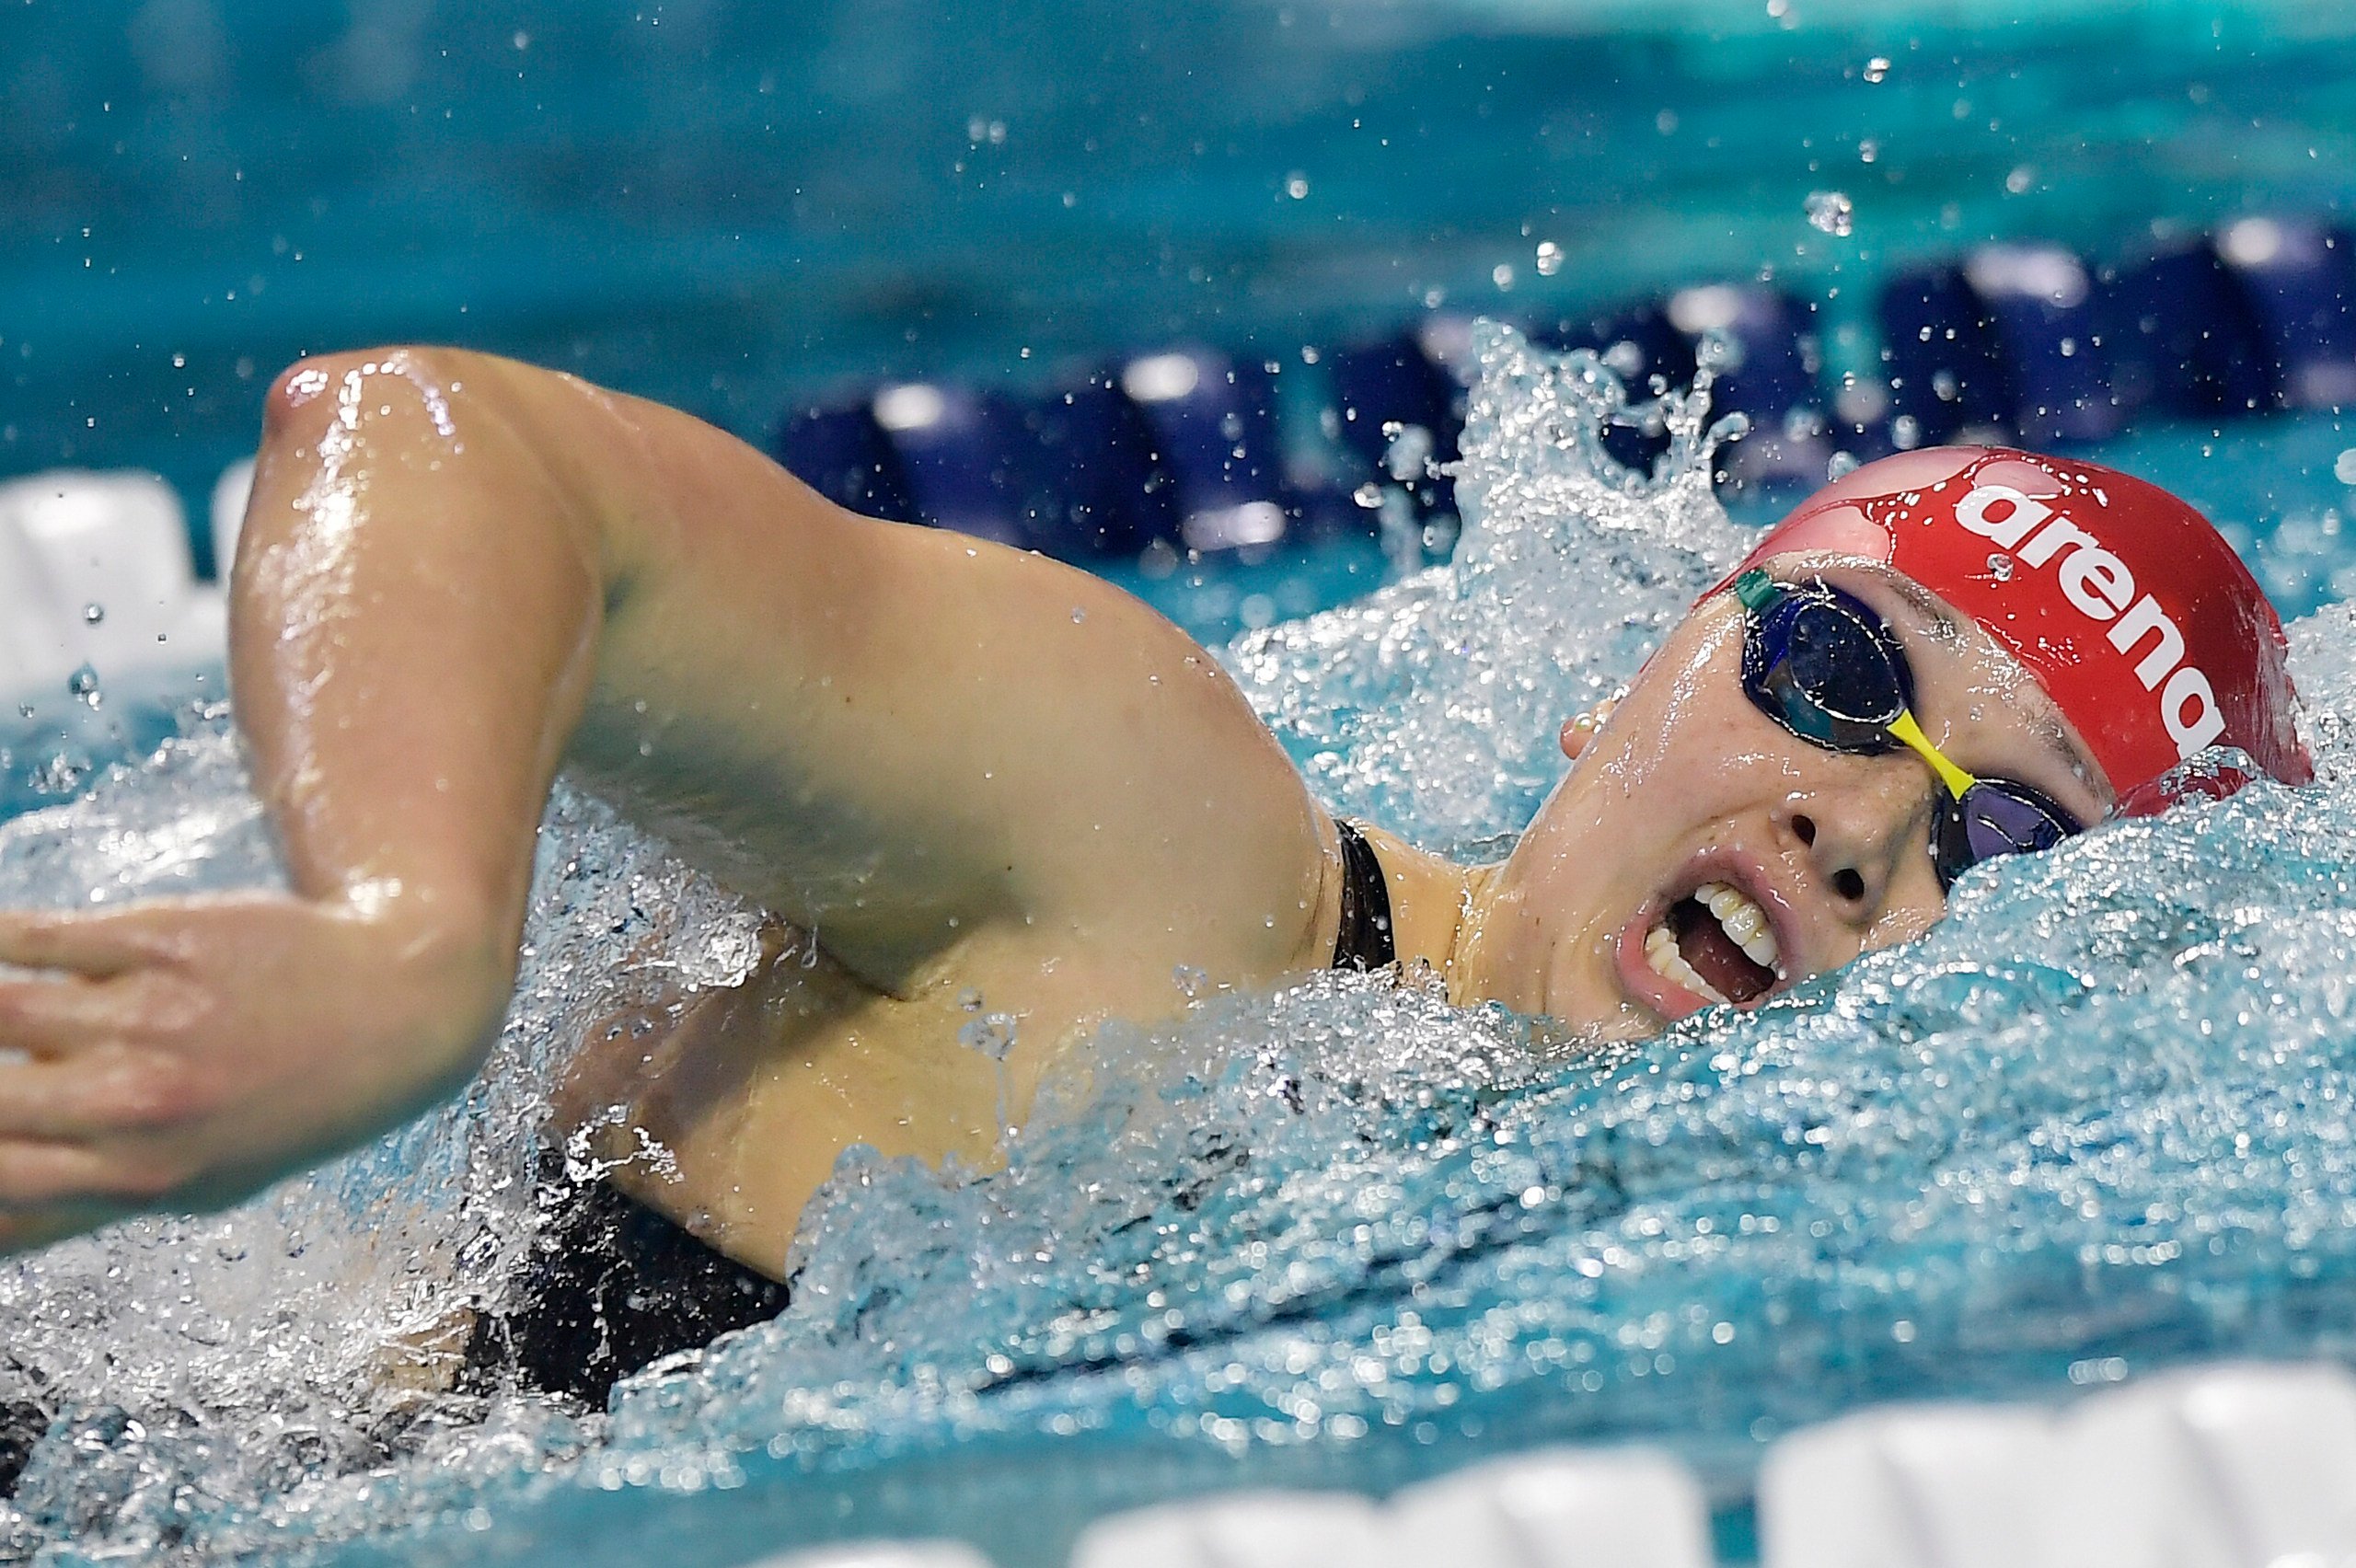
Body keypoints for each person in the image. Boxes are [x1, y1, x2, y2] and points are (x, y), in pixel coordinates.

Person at [0, 349, 2309, 1405]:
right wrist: (396, 946)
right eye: (1827, 668)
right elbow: (441, 441)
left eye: (2003, 839)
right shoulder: (1168, 851)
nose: (1852, 814)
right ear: (1645, 656)